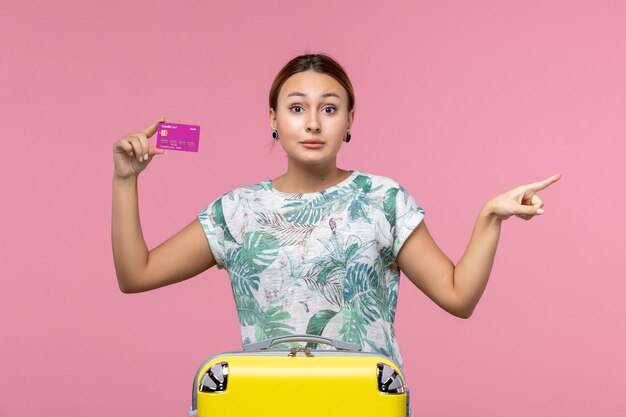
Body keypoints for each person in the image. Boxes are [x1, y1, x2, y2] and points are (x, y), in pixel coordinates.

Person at [111, 53, 559, 413]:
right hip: (264, 405)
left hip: (362, 402)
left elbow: (459, 297)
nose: (312, 123)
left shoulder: (383, 199)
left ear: (349, 120)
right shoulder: (240, 210)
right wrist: (126, 180)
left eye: (329, 108)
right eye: (296, 108)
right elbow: (137, 273)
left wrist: (489, 218)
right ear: (273, 117)